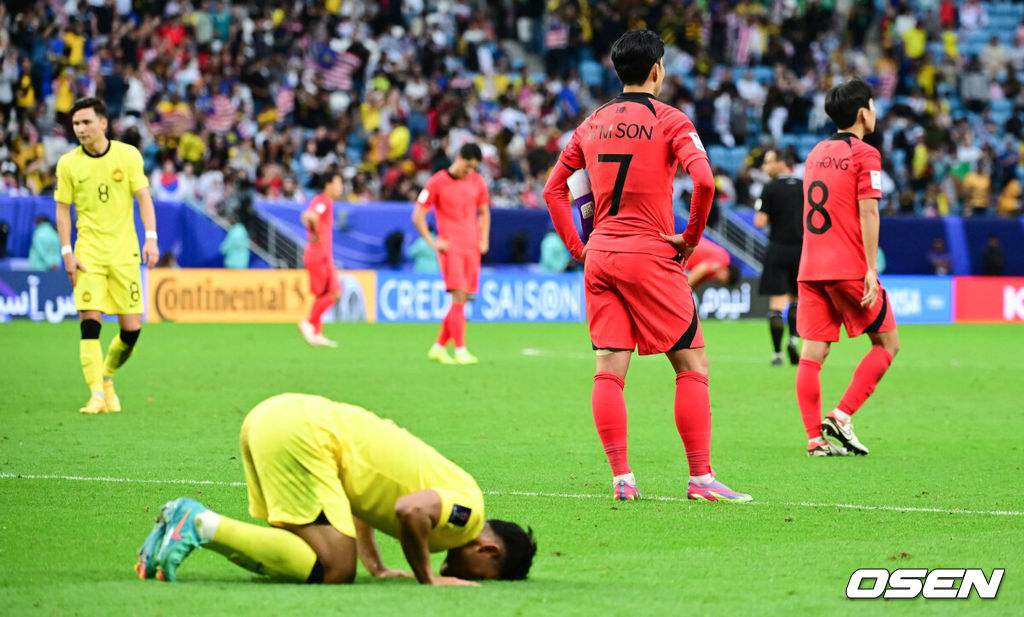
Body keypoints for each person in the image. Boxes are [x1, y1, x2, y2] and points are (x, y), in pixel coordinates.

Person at [541, 29, 751, 502]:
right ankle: (701, 479)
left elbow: (553, 190)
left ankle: (622, 478)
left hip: (601, 257)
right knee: (691, 363)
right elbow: (704, 181)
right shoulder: (671, 119)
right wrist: (690, 240)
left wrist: (581, 249)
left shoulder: (590, 123)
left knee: (609, 369)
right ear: (657, 70)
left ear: (618, 71)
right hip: (650, 253)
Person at [135, 393, 536, 586]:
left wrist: (376, 564)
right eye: (487, 577)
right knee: (337, 568)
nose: (469, 577)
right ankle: (199, 524)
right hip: (304, 434)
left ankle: (187, 526)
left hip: (274, 418)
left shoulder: (454, 497)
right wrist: (428, 577)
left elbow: (363, 502)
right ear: (489, 550)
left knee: (312, 559)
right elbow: (410, 510)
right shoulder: (468, 516)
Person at [795, 79, 900, 458]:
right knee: (888, 343)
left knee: (812, 353)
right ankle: (841, 415)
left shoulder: (815, 151)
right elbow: (868, 210)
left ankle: (814, 439)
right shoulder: (866, 154)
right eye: (873, 106)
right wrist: (871, 268)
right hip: (847, 266)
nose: (875, 113)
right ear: (862, 113)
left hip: (810, 266)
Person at [55, 97, 158, 415]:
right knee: (90, 322)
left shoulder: (128, 155)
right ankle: (96, 395)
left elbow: (144, 199)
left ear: (103, 123)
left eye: (86, 122)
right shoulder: (68, 164)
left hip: (124, 254)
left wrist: (151, 238)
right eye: (75, 124)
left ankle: (107, 377)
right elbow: (62, 210)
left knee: (131, 330)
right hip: (89, 254)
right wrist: (67, 251)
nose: (80, 129)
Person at [413, 143, 490, 366]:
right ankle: (460, 349)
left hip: (472, 247)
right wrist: (432, 242)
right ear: (459, 157)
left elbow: (484, 211)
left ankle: (438, 347)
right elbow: (418, 215)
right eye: (467, 166)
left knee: (462, 298)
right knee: (458, 297)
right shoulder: (437, 182)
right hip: (451, 248)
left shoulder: (477, 181)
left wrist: (484, 238)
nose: (469, 171)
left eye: (473, 167)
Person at [754, 149, 804, 366]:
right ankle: (793, 340)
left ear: (781, 163)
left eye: (768, 162)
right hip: (802, 250)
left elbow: (760, 222)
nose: (765, 168)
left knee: (776, 305)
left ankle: (777, 354)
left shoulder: (770, 188)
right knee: (796, 300)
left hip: (778, 248)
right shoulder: (805, 186)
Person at [298, 170, 344, 348]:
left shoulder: (324, 202)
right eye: (338, 183)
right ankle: (309, 323)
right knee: (335, 292)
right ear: (328, 185)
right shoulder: (323, 201)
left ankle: (316, 333)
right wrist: (316, 231)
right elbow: (309, 216)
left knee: (323, 294)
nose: (340, 188)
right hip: (319, 255)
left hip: (320, 254)